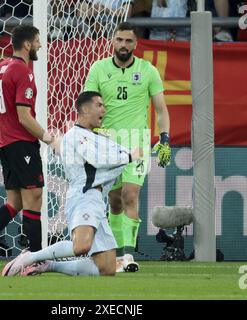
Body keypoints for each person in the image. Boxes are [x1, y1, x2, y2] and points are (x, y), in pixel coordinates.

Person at [0, 91, 143, 277]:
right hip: (84, 196)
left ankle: (48, 265)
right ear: (84, 109)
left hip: (97, 200)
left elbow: (113, 158)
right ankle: (31, 256)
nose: (104, 110)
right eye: (99, 105)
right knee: (81, 246)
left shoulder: (95, 137)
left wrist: (142, 150)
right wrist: (130, 155)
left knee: (107, 268)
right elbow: (98, 159)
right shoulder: (76, 135)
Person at [0, 25, 54, 272]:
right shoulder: (23, 71)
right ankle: (35, 258)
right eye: (37, 41)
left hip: (5, 142)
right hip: (21, 142)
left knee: (15, 201)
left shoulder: (2, 67)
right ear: (27, 44)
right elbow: (25, 117)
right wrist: (49, 139)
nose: (39, 45)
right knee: (34, 197)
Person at [83, 22, 171, 272]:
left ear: (136, 43)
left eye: (128, 41)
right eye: (119, 40)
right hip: (107, 142)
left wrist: (164, 138)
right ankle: (116, 253)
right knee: (114, 202)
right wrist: (89, 137)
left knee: (131, 194)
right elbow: (87, 106)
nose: (123, 45)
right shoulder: (99, 69)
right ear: (113, 41)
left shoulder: (148, 71)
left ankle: (129, 255)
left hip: (138, 141)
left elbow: (161, 110)